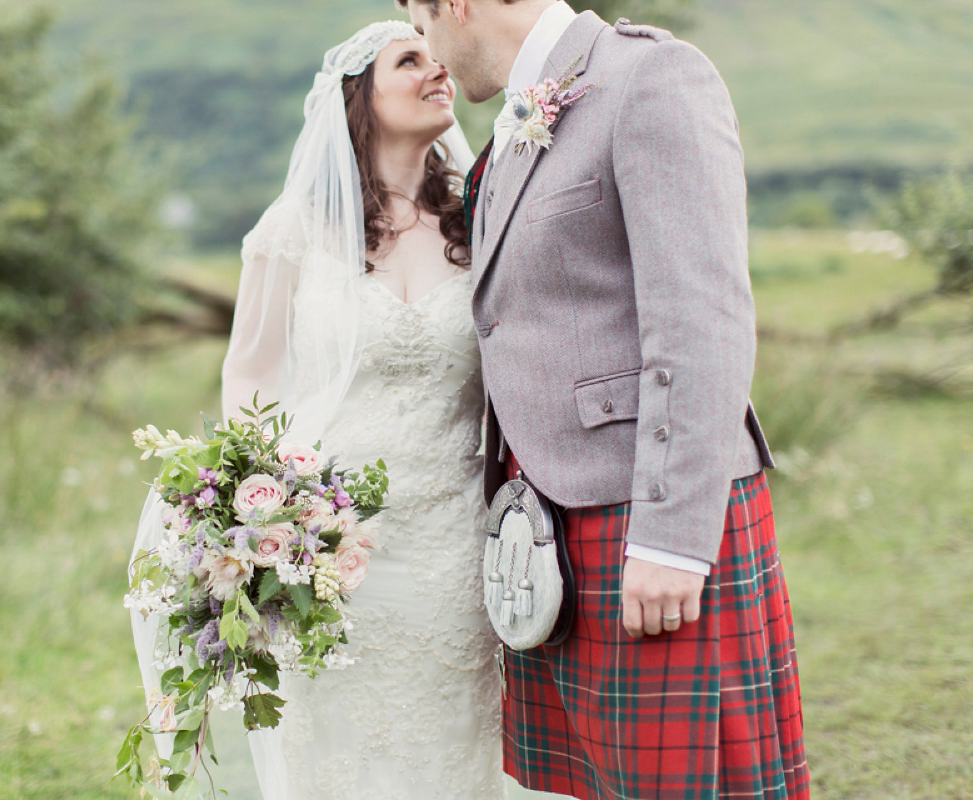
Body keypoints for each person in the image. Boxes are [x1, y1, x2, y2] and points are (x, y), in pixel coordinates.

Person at [399, 0, 811, 798]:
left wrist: (674, 539)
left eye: (421, 24)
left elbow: (702, 315)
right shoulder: (519, 122)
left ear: (455, 4)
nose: (431, 50)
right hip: (551, 533)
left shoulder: (650, 78)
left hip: (641, 519)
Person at [215, 20, 506, 800]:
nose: (436, 69)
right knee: (341, 753)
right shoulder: (297, 230)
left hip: (456, 548)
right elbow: (249, 371)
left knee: (453, 745)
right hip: (337, 546)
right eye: (408, 61)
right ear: (360, 101)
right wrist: (272, 510)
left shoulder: (481, 226)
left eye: (435, 55)